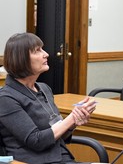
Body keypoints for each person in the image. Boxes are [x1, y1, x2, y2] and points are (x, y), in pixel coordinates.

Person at [0, 33, 97, 163]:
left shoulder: (44, 89)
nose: (46, 54)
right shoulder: (6, 98)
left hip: (62, 158)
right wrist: (71, 118)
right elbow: (36, 141)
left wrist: (73, 122)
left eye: (42, 49)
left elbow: (57, 132)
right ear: (21, 59)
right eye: (37, 51)